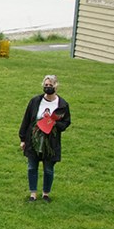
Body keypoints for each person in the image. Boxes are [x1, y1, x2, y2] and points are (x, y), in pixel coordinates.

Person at [19, 74, 71, 203]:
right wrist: (23, 139)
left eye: (50, 85)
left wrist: (54, 124)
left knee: (48, 169)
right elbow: (26, 120)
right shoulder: (35, 101)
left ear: (56, 86)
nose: (48, 88)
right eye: (46, 85)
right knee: (32, 167)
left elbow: (66, 122)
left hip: (51, 142)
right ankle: (33, 194)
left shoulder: (62, 104)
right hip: (33, 140)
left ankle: (46, 193)